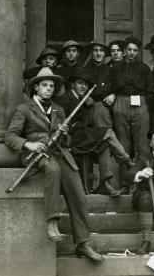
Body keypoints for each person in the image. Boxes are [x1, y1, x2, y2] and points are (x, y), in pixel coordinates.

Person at [3, 66, 104, 263]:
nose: (48, 89)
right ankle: (52, 222)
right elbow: (10, 136)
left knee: (77, 192)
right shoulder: (24, 109)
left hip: (60, 153)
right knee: (52, 169)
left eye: (51, 86)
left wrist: (65, 134)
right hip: (38, 154)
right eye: (44, 85)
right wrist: (29, 144)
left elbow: (68, 143)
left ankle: (83, 243)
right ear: (36, 88)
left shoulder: (59, 110)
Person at [56, 67, 133, 197]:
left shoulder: (85, 101)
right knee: (107, 132)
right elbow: (60, 121)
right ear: (73, 84)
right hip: (70, 137)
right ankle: (128, 161)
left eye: (86, 85)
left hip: (83, 135)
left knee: (105, 145)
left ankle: (105, 184)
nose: (83, 87)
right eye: (80, 83)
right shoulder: (63, 99)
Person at [108, 36, 154, 194]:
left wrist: (144, 103)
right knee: (123, 144)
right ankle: (125, 182)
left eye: (135, 50)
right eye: (129, 50)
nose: (132, 53)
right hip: (121, 103)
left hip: (140, 104)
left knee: (142, 144)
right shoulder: (115, 68)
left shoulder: (144, 68)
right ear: (125, 51)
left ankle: (142, 183)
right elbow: (110, 86)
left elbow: (150, 89)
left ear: (138, 52)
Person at [83, 41, 114, 128]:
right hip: (86, 108)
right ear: (91, 53)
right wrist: (84, 96)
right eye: (95, 50)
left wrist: (113, 95)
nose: (98, 53)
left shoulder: (110, 70)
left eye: (101, 50)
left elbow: (115, 88)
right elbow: (77, 87)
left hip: (104, 108)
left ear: (105, 54)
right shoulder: (84, 70)